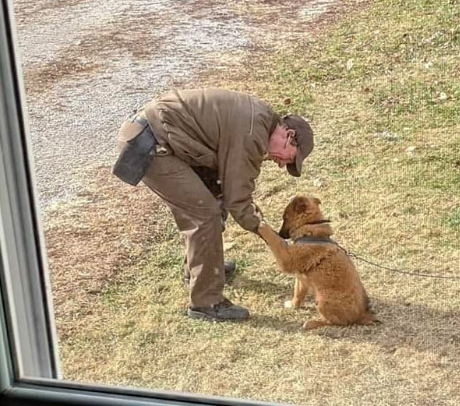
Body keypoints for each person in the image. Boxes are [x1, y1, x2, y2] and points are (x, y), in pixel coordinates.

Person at [112, 87, 314, 323]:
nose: (282, 164)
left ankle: (202, 271)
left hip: (160, 137)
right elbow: (238, 200)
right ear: (289, 135)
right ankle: (205, 303)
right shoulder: (252, 133)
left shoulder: (258, 121)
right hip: (152, 145)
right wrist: (270, 235)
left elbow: (229, 189)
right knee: (204, 214)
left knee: (213, 197)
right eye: (289, 158)